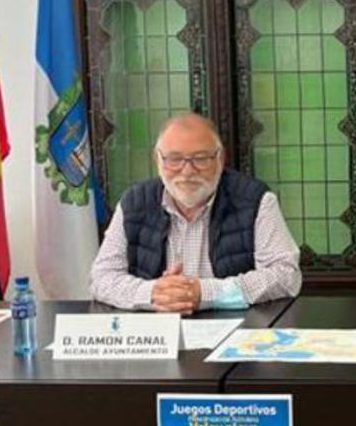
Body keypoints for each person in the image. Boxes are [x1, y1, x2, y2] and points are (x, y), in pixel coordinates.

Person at [89, 112, 301, 312]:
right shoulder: (134, 203)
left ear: (220, 158)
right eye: (174, 159)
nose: (187, 171)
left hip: (239, 333)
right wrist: (154, 293)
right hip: (156, 336)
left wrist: (204, 293)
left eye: (200, 159)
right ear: (158, 160)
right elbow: (101, 278)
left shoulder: (255, 200)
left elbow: (286, 276)